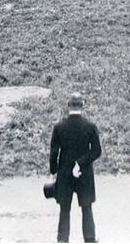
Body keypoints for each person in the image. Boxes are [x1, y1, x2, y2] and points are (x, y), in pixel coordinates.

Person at [49, 92, 102, 243]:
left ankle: (62, 238)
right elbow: (97, 151)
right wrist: (81, 163)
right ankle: (90, 238)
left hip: (64, 173)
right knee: (86, 207)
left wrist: (53, 171)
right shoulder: (90, 126)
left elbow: (54, 152)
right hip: (84, 173)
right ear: (82, 105)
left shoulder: (59, 127)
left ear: (68, 105)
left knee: (64, 208)